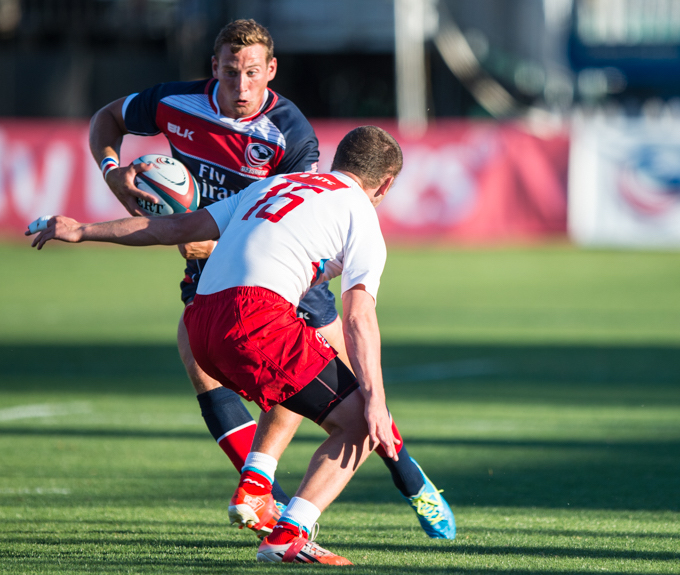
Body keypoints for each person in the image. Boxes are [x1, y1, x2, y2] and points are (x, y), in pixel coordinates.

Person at [87, 19, 454, 540]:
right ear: (213, 67)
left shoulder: (290, 132)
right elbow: (107, 119)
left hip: (279, 269)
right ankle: (262, 495)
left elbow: (288, 216)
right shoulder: (172, 102)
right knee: (203, 363)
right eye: (231, 72)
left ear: (271, 71)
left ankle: (410, 477)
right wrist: (110, 171)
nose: (241, 86)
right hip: (212, 264)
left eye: (252, 73)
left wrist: (206, 242)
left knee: (345, 375)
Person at [28, 126, 454, 564]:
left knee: (293, 371)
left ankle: (255, 486)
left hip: (200, 324)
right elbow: (359, 316)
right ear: (385, 185)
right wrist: (377, 402)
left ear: (336, 162)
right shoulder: (361, 213)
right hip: (254, 320)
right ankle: (288, 535)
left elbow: (174, 226)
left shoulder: (274, 184)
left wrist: (82, 230)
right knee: (360, 425)